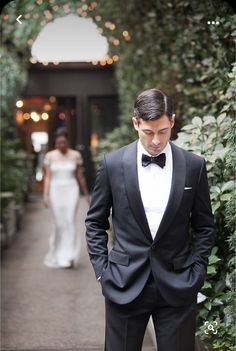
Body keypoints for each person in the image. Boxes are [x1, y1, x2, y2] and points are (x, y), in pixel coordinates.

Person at [85, 89, 214, 351]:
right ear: (136, 124)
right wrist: (103, 272)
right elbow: (95, 222)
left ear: (173, 122)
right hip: (123, 282)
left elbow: (204, 226)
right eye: (148, 132)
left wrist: (197, 270)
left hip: (178, 284)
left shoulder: (193, 166)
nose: (156, 140)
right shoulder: (112, 164)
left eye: (163, 131)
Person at [43, 127, 90, 268]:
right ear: (56, 142)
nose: (61, 145)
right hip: (55, 190)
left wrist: (87, 193)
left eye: (64, 142)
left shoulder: (75, 155)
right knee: (59, 222)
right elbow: (47, 178)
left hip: (71, 190)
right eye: (59, 143)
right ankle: (58, 253)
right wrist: (45, 195)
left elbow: (80, 176)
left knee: (69, 220)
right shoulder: (50, 156)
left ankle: (70, 255)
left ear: (67, 141)